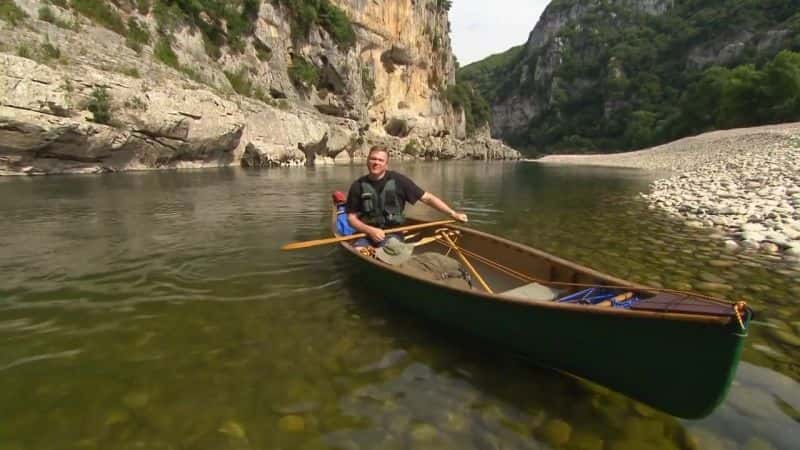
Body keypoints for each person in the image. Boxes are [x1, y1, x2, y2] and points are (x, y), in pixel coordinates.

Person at [346, 145, 468, 244]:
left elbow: (428, 198)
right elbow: (351, 218)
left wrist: (453, 214)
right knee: (360, 250)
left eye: (380, 160)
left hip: (393, 234)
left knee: (387, 253)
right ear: (367, 161)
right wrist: (370, 230)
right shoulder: (358, 185)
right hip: (366, 234)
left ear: (386, 164)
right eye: (373, 159)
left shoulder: (399, 181)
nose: (376, 163)